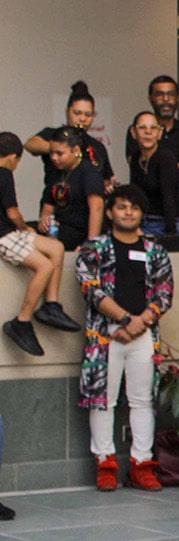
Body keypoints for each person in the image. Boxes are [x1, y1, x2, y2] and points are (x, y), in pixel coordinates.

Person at [75, 185, 174, 492]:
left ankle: (141, 466)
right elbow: (90, 288)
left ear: (141, 213)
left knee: (143, 401)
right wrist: (124, 319)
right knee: (102, 401)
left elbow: (165, 291)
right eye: (121, 207)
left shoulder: (154, 250)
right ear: (109, 212)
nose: (128, 212)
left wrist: (141, 321)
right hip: (105, 335)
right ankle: (105, 464)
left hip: (143, 335)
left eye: (134, 207)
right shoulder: (93, 249)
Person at [1, 131, 80, 356]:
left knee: (55, 247)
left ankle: (51, 306)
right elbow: (13, 212)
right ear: (12, 158)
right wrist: (24, 227)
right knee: (44, 266)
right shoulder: (4, 173)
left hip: (7, 232)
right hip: (3, 235)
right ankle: (22, 321)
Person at [26, 81, 115, 196]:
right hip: (56, 202)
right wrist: (58, 149)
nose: (82, 119)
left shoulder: (98, 146)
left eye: (88, 115)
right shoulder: (54, 135)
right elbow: (30, 144)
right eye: (77, 113)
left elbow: (106, 181)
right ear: (67, 111)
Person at [37, 127, 105, 251]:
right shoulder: (55, 171)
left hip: (79, 230)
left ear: (75, 150)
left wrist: (90, 243)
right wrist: (44, 219)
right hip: (57, 227)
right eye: (51, 153)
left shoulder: (88, 172)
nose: (54, 158)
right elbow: (48, 206)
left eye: (59, 153)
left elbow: (97, 208)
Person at [128, 75, 179, 182]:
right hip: (144, 196)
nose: (166, 99)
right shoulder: (138, 130)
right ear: (150, 98)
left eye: (171, 94)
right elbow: (138, 164)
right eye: (159, 94)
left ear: (178, 98)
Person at [127, 112, 179, 238]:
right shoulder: (135, 158)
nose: (148, 132)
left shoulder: (165, 158)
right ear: (133, 132)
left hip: (164, 223)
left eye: (153, 128)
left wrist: (172, 238)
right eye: (142, 128)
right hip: (141, 221)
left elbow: (169, 200)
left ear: (160, 133)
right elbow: (135, 195)